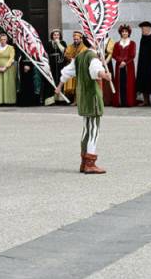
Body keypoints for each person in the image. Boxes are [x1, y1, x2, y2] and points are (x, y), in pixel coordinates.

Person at [59, 39, 108, 174]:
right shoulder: (92, 56)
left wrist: (59, 86)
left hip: (83, 97)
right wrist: (105, 75)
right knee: (94, 130)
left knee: (87, 129)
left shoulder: (79, 56)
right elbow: (95, 71)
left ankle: (84, 162)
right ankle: (90, 164)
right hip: (92, 97)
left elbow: (66, 72)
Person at [107, 24, 138, 107]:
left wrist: (125, 62)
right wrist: (120, 61)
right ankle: (120, 101)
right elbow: (114, 54)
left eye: (126, 32)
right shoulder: (117, 44)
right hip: (119, 66)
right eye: (123, 32)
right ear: (120, 33)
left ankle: (128, 102)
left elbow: (132, 55)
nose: (124, 33)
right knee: (120, 83)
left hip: (129, 66)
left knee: (128, 83)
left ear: (129, 33)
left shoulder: (132, 43)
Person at [0, 34, 18, 106]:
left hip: (8, 68)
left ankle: (9, 101)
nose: (3, 41)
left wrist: (5, 67)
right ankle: (0, 100)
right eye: (1, 39)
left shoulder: (11, 48)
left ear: (7, 40)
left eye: (4, 39)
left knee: (7, 83)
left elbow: (11, 58)